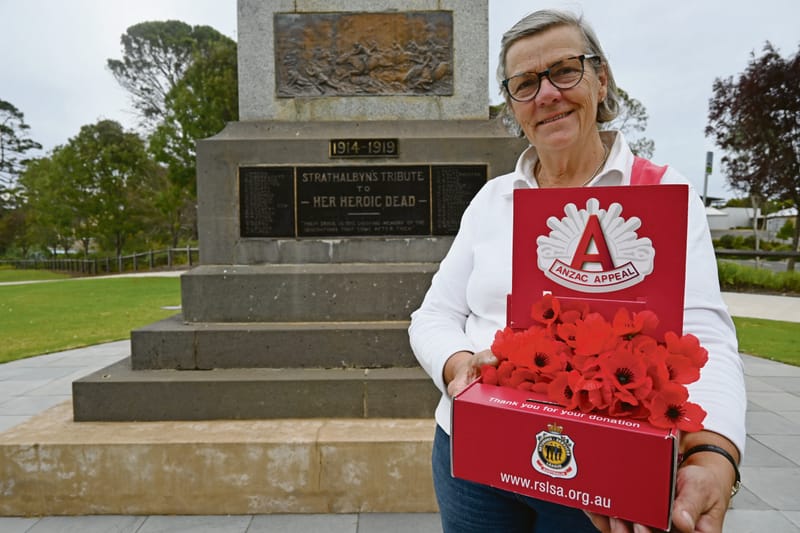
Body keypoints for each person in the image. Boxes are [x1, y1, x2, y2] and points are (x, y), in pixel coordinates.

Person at [408, 9, 746, 533]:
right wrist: (457, 366)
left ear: (601, 78)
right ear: (514, 104)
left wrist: (714, 454)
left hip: (600, 468)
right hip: (474, 454)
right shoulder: (491, 200)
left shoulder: (661, 193)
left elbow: (705, 336)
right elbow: (433, 315)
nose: (546, 94)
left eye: (564, 70)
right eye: (525, 83)